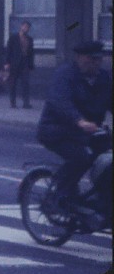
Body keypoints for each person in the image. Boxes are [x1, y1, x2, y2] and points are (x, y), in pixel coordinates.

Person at [36, 40, 112, 211]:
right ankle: (59, 196)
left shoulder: (104, 78)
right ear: (79, 58)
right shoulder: (65, 75)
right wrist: (79, 121)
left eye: (98, 59)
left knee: (107, 159)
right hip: (58, 131)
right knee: (80, 158)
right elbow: (60, 101)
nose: (95, 63)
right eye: (91, 59)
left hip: (89, 132)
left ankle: (102, 197)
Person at [4, 21, 36, 108]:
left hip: (25, 63)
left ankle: (26, 103)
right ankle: (12, 103)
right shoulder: (13, 37)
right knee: (13, 84)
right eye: (25, 27)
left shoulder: (30, 39)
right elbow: (8, 50)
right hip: (14, 63)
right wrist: (7, 62)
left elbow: (31, 53)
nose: (26, 29)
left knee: (25, 83)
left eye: (28, 28)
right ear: (21, 26)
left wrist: (31, 65)